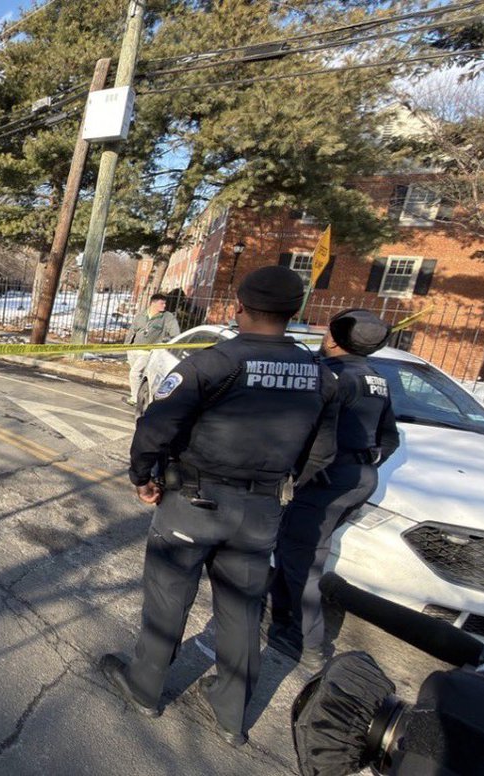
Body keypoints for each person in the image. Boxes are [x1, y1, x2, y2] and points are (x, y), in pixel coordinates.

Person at [99, 265, 340, 747]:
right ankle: (232, 716)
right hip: (260, 510)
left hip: (194, 501)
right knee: (242, 610)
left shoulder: (212, 363)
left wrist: (142, 478)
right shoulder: (323, 378)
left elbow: (155, 427)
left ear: (240, 307)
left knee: (169, 597)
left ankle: (146, 688)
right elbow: (322, 455)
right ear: (296, 313)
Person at [268, 309, 398, 670]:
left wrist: (307, 473)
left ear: (335, 339)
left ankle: (307, 644)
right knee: (292, 544)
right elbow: (390, 439)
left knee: (303, 559)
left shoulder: (334, 377)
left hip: (328, 477)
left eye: (327, 333)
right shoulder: (376, 379)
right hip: (359, 475)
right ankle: (280, 617)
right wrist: (363, 464)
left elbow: (308, 430)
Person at [123, 293, 181, 406]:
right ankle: (142, 397)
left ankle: (135, 399)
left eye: (165, 303)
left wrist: (164, 342)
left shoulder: (167, 317)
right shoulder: (142, 315)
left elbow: (175, 334)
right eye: (162, 303)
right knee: (137, 375)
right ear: (153, 303)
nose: (164, 306)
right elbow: (132, 330)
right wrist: (126, 346)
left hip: (148, 352)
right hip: (133, 349)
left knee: (134, 373)